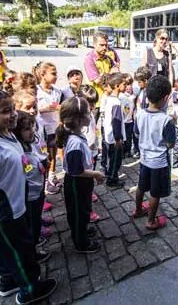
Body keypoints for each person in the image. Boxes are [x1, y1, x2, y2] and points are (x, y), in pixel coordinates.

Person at [0, 89, 57, 303]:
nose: (13, 115)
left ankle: (8, 281)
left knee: (7, 249)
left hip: (16, 205)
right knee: (20, 250)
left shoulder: (8, 135)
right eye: (5, 112)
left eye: (12, 109)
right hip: (4, 212)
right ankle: (29, 289)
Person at [56, 97, 105, 253]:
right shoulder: (75, 142)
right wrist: (96, 173)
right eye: (87, 111)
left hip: (82, 181)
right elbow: (77, 171)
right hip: (77, 182)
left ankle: (81, 231)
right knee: (79, 212)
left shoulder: (75, 135)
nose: (90, 113)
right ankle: (81, 242)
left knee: (83, 209)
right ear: (78, 119)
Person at [133, 75, 176, 230]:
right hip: (159, 162)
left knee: (141, 186)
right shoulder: (166, 120)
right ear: (165, 98)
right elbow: (171, 144)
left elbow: (136, 134)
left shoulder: (139, 114)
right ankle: (151, 221)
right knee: (155, 193)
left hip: (144, 159)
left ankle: (138, 210)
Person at [12, 111, 52, 263]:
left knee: (35, 221)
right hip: (28, 196)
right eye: (27, 129)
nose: (32, 132)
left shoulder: (31, 144)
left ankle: (34, 243)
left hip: (38, 189)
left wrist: (43, 162)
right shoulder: (18, 151)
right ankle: (31, 253)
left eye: (32, 128)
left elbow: (38, 155)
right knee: (30, 225)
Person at [34, 62, 63, 194]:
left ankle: (51, 175)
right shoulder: (36, 91)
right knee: (45, 155)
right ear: (42, 74)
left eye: (56, 73)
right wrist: (48, 108)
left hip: (54, 128)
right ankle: (45, 181)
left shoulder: (57, 91)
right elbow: (34, 109)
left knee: (53, 153)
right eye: (53, 73)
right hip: (42, 130)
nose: (56, 76)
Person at [79, 85, 101, 223]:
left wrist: (97, 146)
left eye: (94, 103)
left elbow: (93, 132)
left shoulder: (90, 115)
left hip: (92, 152)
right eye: (90, 104)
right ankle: (87, 210)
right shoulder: (80, 120)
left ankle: (89, 193)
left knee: (89, 179)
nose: (92, 107)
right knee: (85, 182)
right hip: (84, 155)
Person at [84, 31, 116, 122]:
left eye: (106, 45)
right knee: (91, 128)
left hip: (108, 99)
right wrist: (110, 75)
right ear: (94, 44)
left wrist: (105, 75)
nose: (105, 48)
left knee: (106, 128)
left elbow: (117, 73)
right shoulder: (89, 59)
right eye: (101, 45)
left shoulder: (108, 58)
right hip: (95, 102)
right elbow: (97, 80)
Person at [103, 73, 127, 188]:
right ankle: (112, 180)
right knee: (115, 160)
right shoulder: (116, 102)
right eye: (124, 84)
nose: (126, 86)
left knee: (112, 158)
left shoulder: (110, 99)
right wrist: (118, 138)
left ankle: (111, 176)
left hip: (109, 135)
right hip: (114, 137)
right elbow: (116, 122)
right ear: (117, 86)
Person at [132, 67, 151, 158]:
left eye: (140, 82)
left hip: (144, 119)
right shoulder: (141, 90)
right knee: (136, 135)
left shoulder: (149, 92)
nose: (138, 84)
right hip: (138, 117)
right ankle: (138, 150)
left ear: (146, 81)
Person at [119, 74, 136, 158]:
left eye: (130, 84)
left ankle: (128, 151)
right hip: (123, 120)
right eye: (126, 84)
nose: (128, 87)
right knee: (123, 137)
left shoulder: (133, 96)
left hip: (130, 120)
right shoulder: (121, 96)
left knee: (129, 137)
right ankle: (122, 152)